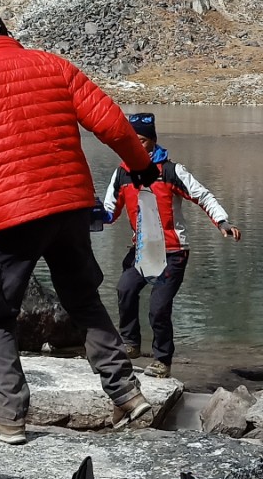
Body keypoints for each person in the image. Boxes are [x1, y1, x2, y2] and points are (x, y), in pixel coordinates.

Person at [0, 9, 158, 444]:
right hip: (69, 206)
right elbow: (111, 123)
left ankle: (9, 417)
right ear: (4, 32)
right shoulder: (53, 66)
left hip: (10, 218)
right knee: (83, 299)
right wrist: (141, 167)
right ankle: (127, 395)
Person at [102, 112, 242, 373]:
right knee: (125, 289)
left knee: (159, 308)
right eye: (131, 140)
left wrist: (222, 222)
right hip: (142, 251)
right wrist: (87, 215)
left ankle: (162, 361)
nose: (135, 145)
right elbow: (109, 211)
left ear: (153, 141)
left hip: (173, 253)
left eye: (141, 140)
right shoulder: (121, 174)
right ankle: (130, 343)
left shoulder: (170, 171)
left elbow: (203, 196)